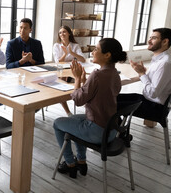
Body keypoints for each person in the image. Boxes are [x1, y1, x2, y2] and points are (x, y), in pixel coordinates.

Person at [53, 38, 127, 178]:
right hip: (110, 129)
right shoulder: (115, 74)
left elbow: (78, 100)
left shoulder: (97, 75)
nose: (92, 52)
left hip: (97, 131)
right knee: (73, 120)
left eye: (96, 49)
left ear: (107, 55)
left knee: (57, 123)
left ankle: (70, 163)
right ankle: (81, 161)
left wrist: (76, 79)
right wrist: (82, 80)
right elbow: (95, 92)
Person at [117, 28, 171, 127]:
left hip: (155, 108)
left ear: (165, 41)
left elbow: (153, 93)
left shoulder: (165, 63)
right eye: (150, 37)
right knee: (111, 98)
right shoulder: (159, 60)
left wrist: (142, 73)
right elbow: (146, 80)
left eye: (154, 38)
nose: (149, 41)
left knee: (108, 104)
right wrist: (142, 73)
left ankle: (114, 135)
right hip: (148, 101)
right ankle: (119, 133)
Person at [53, 25, 86, 116]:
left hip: (72, 71)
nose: (62, 34)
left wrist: (71, 52)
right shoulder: (56, 45)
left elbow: (83, 59)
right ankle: (68, 112)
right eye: (60, 33)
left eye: (64, 32)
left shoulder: (75, 46)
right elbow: (58, 61)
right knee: (61, 86)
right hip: (61, 71)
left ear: (69, 33)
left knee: (85, 79)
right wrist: (65, 54)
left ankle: (84, 101)